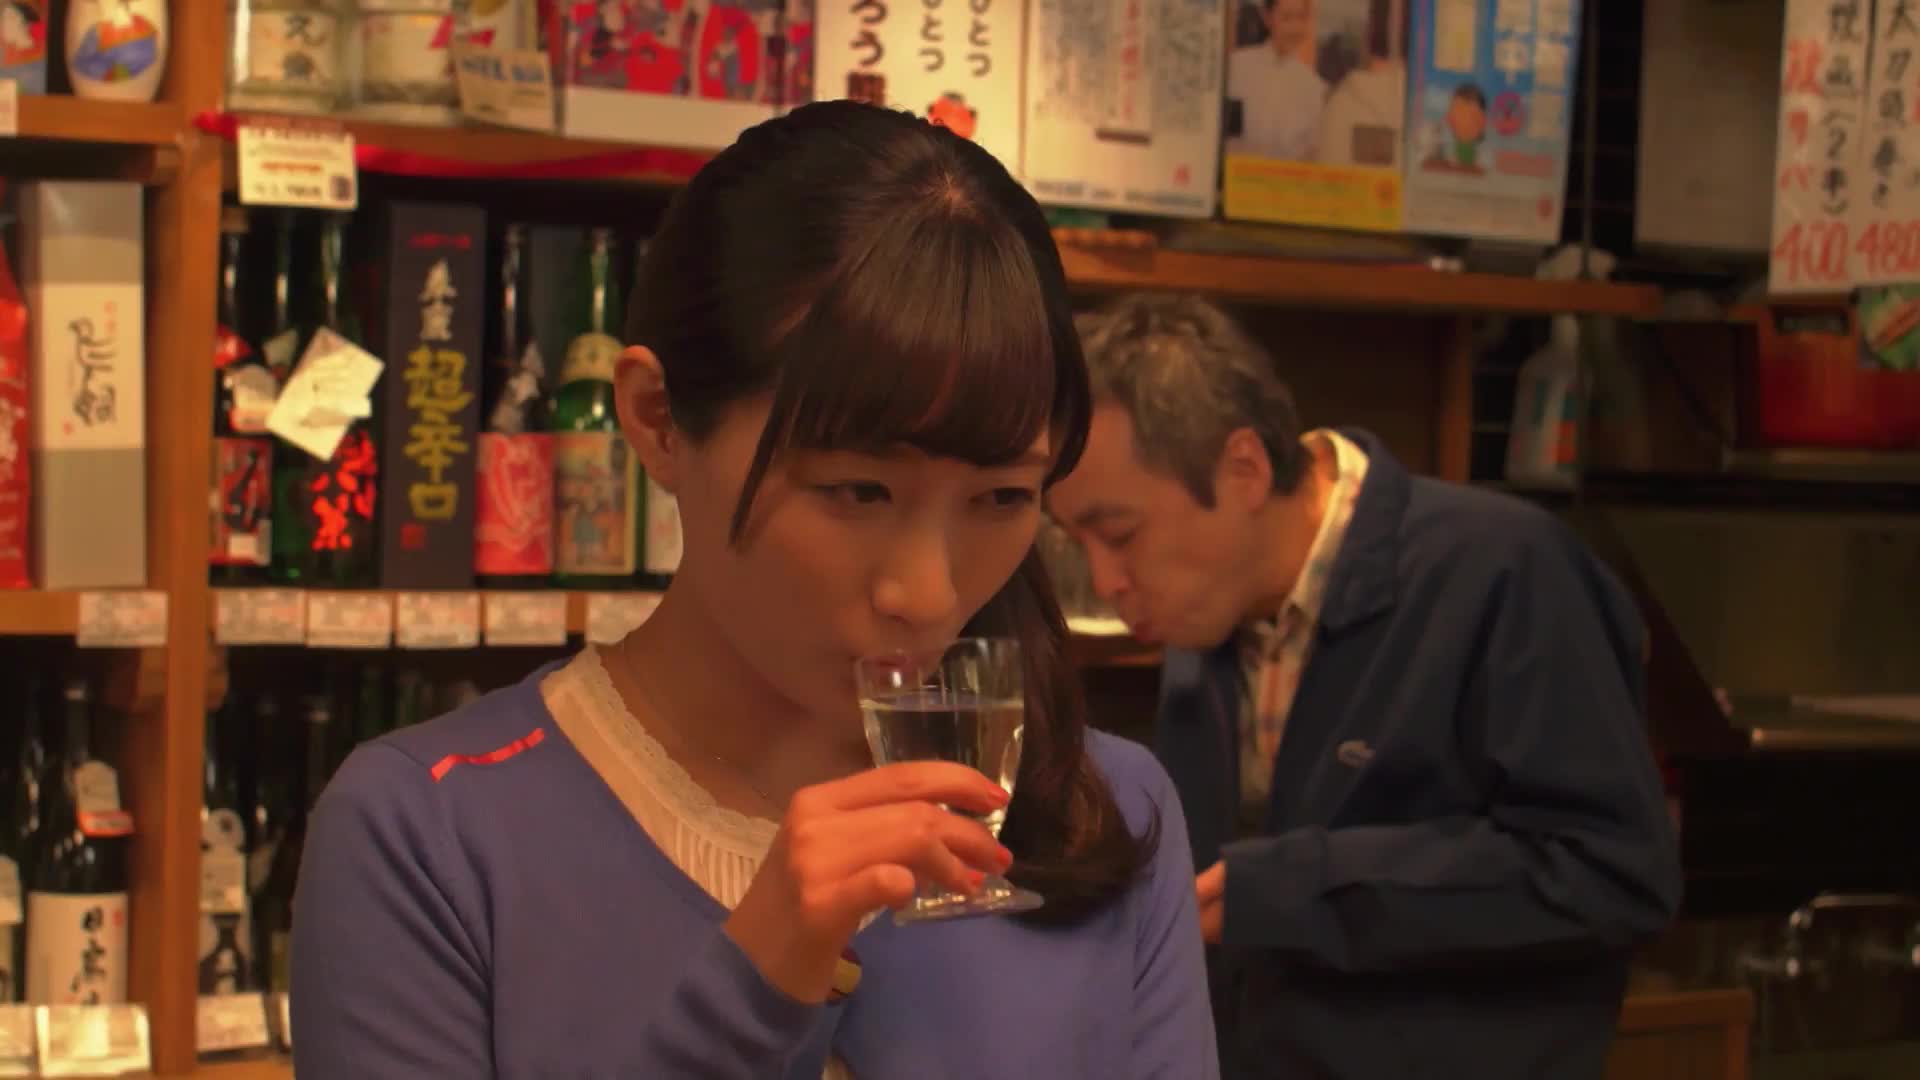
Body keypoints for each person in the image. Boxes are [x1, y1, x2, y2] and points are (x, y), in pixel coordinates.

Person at [288, 104, 1218, 1079]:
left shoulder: (1102, 811)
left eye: (1002, 498)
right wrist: (758, 985)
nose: (926, 592)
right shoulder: (428, 832)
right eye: (859, 491)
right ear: (657, 419)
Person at [1047, 292, 1682, 1080]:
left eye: (1120, 535)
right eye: (1077, 543)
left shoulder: (1504, 570)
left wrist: (1300, 887)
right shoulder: (1208, 608)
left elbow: (1614, 875)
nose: (1105, 580)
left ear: (1243, 469)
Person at [1225, 0, 1326, 160]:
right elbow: (1228, 135)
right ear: (1267, 17)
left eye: (1301, 17)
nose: (1294, 28)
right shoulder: (1237, 68)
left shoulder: (1313, 87)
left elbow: (1311, 152)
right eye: (1287, 18)